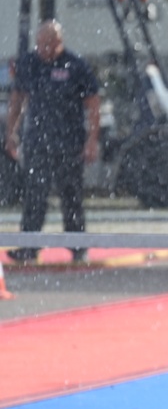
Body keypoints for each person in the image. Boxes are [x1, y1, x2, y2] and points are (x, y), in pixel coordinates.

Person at [5, 20, 100, 264]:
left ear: (59, 43)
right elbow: (17, 100)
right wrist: (11, 133)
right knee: (35, 194)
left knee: (71, 195)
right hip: (38, 140)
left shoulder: (75, 65)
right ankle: (28, 246)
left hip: (69, 142)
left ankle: (78, 246)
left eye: (48, 44)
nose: (43, 49)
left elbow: (92, 104)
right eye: (39, 44)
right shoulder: (29, 64)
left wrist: (92, 140)